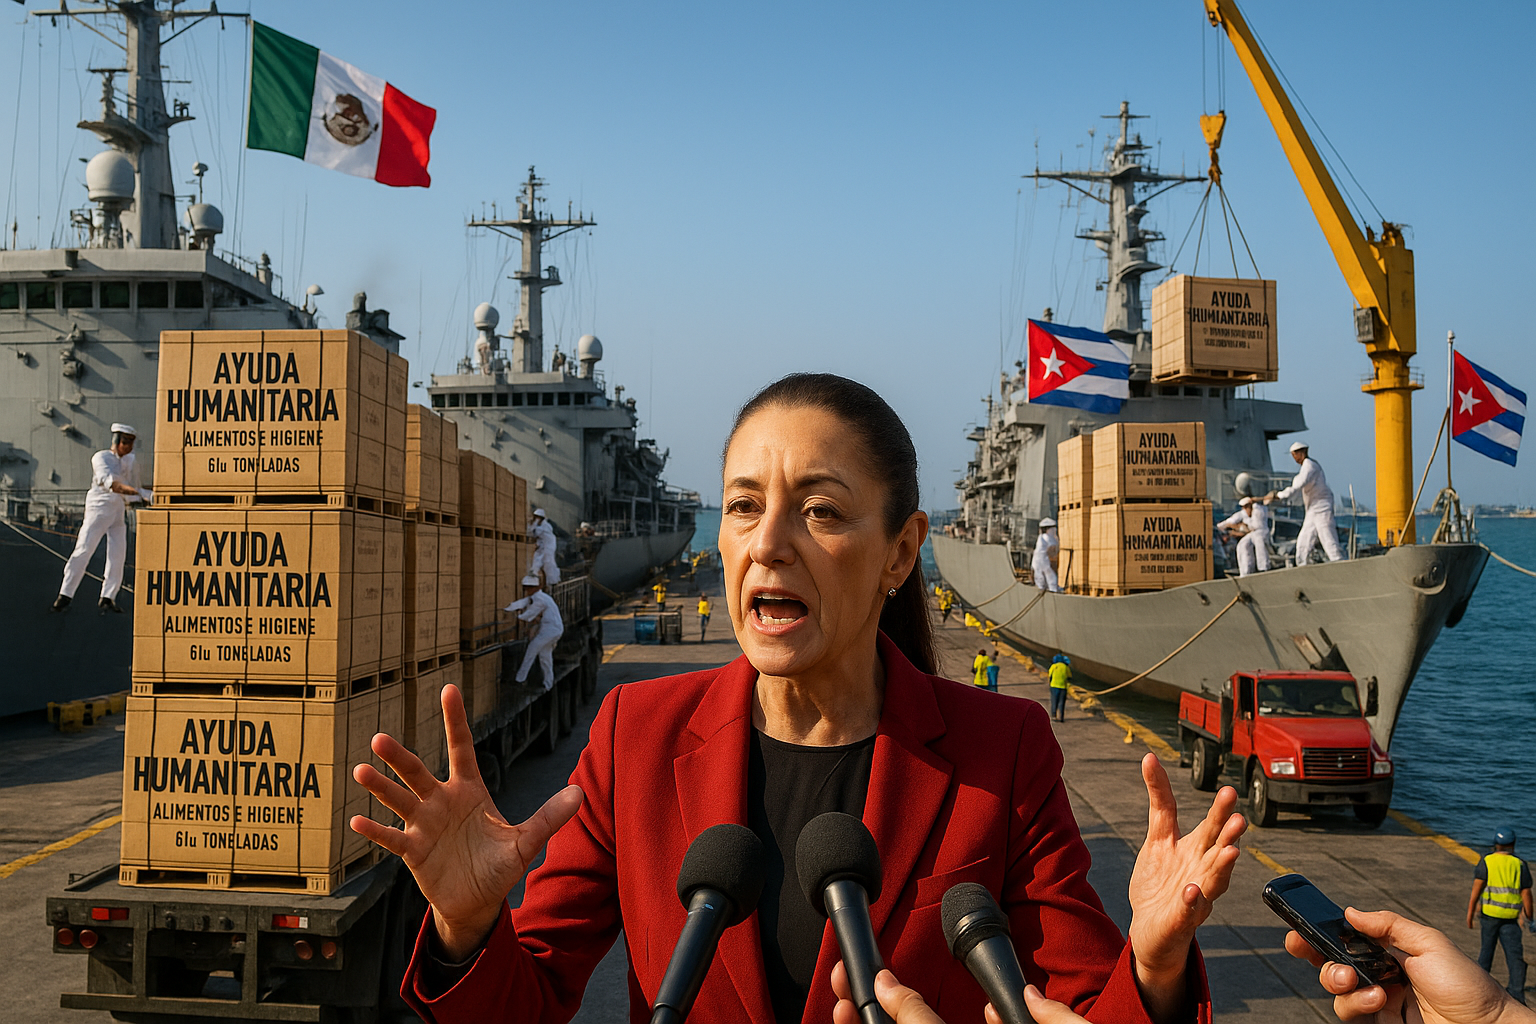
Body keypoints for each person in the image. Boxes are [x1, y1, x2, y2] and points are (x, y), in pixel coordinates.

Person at [353, 372, 1245, 1024]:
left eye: (819, 511)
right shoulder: (636, 735)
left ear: (902, 554)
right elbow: (530, 1004)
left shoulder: (1002, 750)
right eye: (743, 506)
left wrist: (1157, 966)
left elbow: (1081, 1011)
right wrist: (468, 928)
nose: (767, 543)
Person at [53, 423, 150, 614]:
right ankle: (65, 595)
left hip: (117, 507)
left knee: (117, 553)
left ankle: (108, 597)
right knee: (84, 548)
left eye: (131, 443)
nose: (129, 447)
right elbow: (113, 485)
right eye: (126, 442)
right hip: (100, 505)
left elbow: (129, 487)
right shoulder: (102, 458)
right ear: (117, 441)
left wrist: (145, 495)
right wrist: (142, 494)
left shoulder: (128, 461)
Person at [1468, 826, 1533, 1004]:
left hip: (1489, 916)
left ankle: (1479, 990)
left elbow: (1476, 889)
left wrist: (1470, 912)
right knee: (1515, 956)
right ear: (1513, 844)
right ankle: (1517, 995)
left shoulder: (1487, 861)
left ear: (1495, 844)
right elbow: (1526, 894)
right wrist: (1530, 917)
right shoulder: (1520, 865)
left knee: (1486, 953)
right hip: (1511, 919)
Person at [1265, 442, 1344, 565]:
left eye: (1294, 455)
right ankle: (1302, 566)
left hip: (1322, 507)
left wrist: (1279, 495)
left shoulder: (1309, 466)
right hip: (1312, 509)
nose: (1294, 458)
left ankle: (1339, 563)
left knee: (1328, 538)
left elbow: (1298, 485)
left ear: (1300, 453)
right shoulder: (1305, 468)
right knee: (1304, 541)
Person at [503, 575, 564, 688]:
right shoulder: (538, 597)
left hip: (551, 629)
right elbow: (523, 602)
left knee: (532, 649)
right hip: (551, 629)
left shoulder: (539, 599)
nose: (528, 590)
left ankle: (520, 679)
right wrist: (509, 608)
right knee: (545, 656)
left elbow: (530, 613)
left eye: (530, 587)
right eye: (526, 588)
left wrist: (518, 617)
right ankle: (548, 684)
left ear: (537, 587)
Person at [1216, 496, 1271, 576]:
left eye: (1246, 506)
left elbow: (1266, 499)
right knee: (1243, 545)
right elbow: (1231, 520)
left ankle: (1264, 567)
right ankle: (1246, 571)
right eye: (1244, 507)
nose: (1245, 509)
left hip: (1261, 531)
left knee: (1260, 544)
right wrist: (1221, 526)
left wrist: (1254, 500)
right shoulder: (1243, 513)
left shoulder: (1259, 509)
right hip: (1251, 533)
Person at [528, 509, 561, 585]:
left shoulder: (545, 526)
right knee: (538, 558)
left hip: (548, 547)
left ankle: (552, 580)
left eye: (538, 517)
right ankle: (534, 573)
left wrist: (533, 524)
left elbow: (535, 532)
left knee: (548, 562)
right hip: (543, 546)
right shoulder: (541, 525)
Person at [1033, 517, 1061, 592]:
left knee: (1040, 583)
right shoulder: (1049, 538)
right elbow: (1052, 552)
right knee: (1052, 581)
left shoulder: (1040, 538)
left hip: (1037, 564)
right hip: (1046, 563)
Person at [1048, 653, 1072, 722]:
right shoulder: (1065, 667)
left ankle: (1053, 715)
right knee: (1061, 702)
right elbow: (1069, 677)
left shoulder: (1054, 666)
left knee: (1054, 701)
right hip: (1063, 687)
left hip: (1054, 686)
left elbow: (1050, 675)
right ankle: (1061, 717)